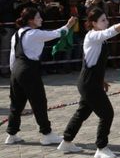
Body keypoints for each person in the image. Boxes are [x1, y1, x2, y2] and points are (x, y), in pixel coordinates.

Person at [57, 9, 120, 158]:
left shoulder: (99, 38)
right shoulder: (93, 36)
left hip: (91, 81)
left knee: (82, 112)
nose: (106, 22)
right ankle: (101, 147)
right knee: (107, 113)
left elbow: (94, 62)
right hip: (88, 83)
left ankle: (66, 141)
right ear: (93, 23)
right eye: (102, 20)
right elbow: (110, 32)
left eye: (106, 19)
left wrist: (102, 80)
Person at [5, 8, 76, 145]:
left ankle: (11, 134)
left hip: (16, 70)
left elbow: (12, 56)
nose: (41, 19)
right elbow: (56, 33)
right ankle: (46, 134)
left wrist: (14, 73)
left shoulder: (16, 34)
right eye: (38, 17)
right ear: (31, 20)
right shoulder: (34, 33)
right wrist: (69, 25)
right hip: (28, 70)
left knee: (16, 104)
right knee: (39, 102)